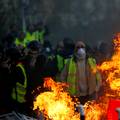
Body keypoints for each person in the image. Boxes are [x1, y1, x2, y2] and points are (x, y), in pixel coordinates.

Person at [60, 40, 102, 105]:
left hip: (89, 94)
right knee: (76, 114)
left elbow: (98, 76)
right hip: (75, 95)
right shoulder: (69, 62)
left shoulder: (91, 61)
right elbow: (63, 76)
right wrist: (65, 88)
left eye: (82, 47)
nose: (80, 49)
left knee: (90, 113)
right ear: (75, 50)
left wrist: (96, 88)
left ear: (85, 49)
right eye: (78, 47)